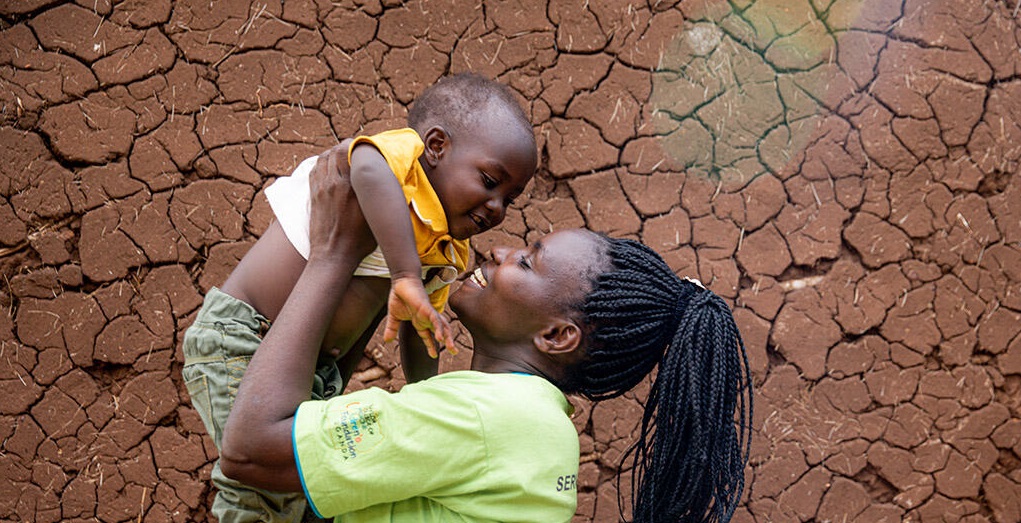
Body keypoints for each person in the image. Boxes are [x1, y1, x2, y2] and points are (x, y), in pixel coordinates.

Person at [219, 147, 754, 523]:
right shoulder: (544, 435)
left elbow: (247, 451)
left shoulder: (473, 418)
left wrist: (334, 254)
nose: (501, 250)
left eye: (528, 261)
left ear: (556, 335)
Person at [182, 73, 536, 522]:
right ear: (437, 146)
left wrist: (428, 396)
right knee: (260, 489)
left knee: (306, 486)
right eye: (489, 181)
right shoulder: (402, 169)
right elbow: (364, 163)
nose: (496, 207)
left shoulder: (446, 245)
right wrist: (406, 274)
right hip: (243, 341)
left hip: (314, 372)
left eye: (511, 198)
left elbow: (417, 328)